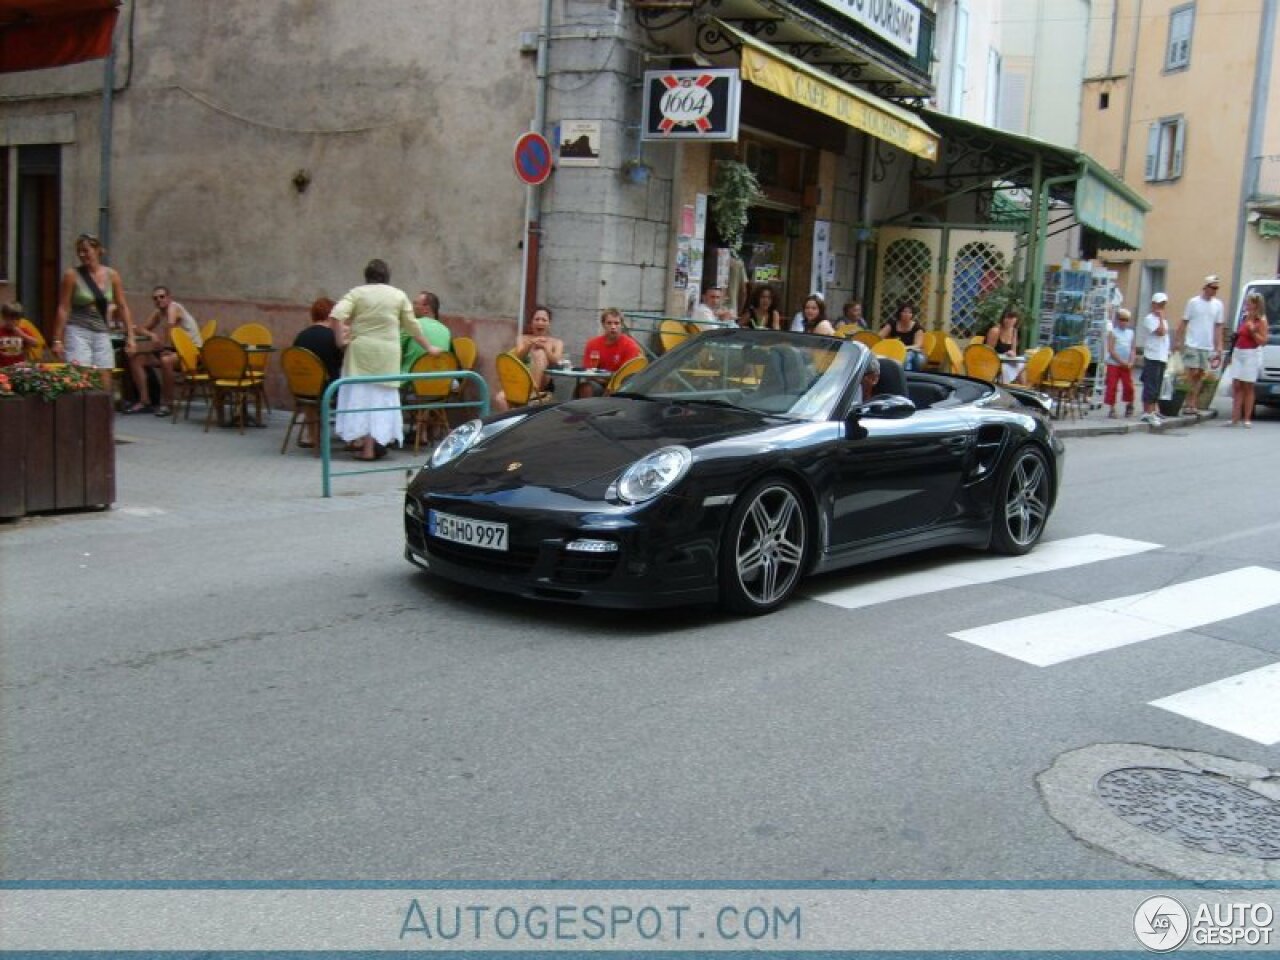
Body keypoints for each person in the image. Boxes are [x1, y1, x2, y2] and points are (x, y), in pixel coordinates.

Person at [330, 258, 437, 461]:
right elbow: (412, 326)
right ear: (387, 276)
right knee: (380, 397)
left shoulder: (357, 293)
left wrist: (340, 341)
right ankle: (372, 445)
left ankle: (361, 442)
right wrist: (429, 347)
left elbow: (336, 315)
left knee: (360, 396)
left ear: (366, 276)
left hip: (361, 352)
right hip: (387, 354)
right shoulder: (398, 296)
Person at [50, 232, 134, 395]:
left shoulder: (112, 275)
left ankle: (101, 415)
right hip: (78, 330)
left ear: (97, 251)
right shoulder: (72, 275)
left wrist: (130, 335)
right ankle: (79, 414)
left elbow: (122, 306)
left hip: (101, 331)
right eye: (79, 251)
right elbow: (63, 307)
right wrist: (57, 339)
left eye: (86, 250)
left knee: (104, 375)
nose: (82, 255)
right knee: (80, 374)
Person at [122, 286, 202, 416]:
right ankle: (144, 401)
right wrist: (151, 335)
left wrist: (164, 348)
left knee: (166, 360)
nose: (159, 300)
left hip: (192, 353)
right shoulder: (158, 312)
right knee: (137, 359)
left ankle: (167, 404)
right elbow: (142, 328)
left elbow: (169, 327)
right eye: (155, 298)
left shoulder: (173, 307)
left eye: (162, 297)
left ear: (169, 298)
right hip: (174, 351)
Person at [291, 297, 341, 448]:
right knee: (355, 389)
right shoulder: (332, 338)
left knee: (313, 389)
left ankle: (311, 435)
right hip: (328, 390)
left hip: (302, 389)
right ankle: (354, 438)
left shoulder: (301, 336)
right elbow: (340, 364)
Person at [1176, 274, 1225, 414]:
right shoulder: (1193, 302)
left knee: (1200, 374)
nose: (1215, 290)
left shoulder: (1218, 305)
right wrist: (1178, 340)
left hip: (1206, 344)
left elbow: (1218, 326)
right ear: (1206, 287)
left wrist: (1219, 345)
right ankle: (1188, 402)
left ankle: (1193, 403)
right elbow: (1184, 321)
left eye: (1217, 288)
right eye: (1213, 287)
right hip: (1193, 342)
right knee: (1192, 371)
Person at [576, 307, 643, 398]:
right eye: (609, 323)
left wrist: (610, 388)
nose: (613, 327)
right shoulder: (592, 344)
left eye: (616, 323)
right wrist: (604, 382)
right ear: (603, 324)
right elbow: (588, 373)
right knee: (584, 388)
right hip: (598, 383)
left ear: (622, 325)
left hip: (620, 387)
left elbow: (626, 377)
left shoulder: (630, 346)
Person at [1228, 290, 1269, 428]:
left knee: (1248, 386)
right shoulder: (1244, 317)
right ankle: (1235, 417)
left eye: (1249, 303)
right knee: (1237, 384)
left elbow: (1263, 341)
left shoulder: (1260, 320)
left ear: (1256, 305)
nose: (1246, 305)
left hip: (1251, 353)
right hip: (1239, 352)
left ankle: (1247, 418)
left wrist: (1253, 331)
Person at [1139, 292, 1171, 425]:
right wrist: (1161, 317)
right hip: (1152, 356)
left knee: (1157, 385)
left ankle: (1152, 410)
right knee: (1151, 385)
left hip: (1161, 356)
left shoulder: (1163, 320)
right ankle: (1148, 412)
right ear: (1153, 304)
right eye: (1159, 304)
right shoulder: (1150, 319)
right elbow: (1161, 332)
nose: (1161, 307)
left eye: (1163, 304)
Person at [401, 290, 452, 373]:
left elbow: (395, 348)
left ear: (426, 309)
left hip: (410, 380)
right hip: (439, 382)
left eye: (415, 303)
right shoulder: (446, 331)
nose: (411, 307)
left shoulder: (412, 324)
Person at [1103, 308, 1136, 418]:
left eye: (1126, 320)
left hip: (1126, 364)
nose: (1123, 322)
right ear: (1117, 320)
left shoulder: (1130, 333)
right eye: (1121, 319)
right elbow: (1111, 350)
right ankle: (1112, 408)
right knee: (1112, 386)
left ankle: (1130, 404)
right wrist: (1121, 361)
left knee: (1129, 386)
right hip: (1114, 363)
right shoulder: (1113, 333)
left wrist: (1131, 361)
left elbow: (1132, 349)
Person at [879, 301, 925, 369]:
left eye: (910, 312)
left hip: (911, 352)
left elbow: (918, 345)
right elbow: (879, 337)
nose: (907, 314)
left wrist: (904, 348)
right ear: (900, 313)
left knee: (907, 357)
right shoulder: (892, 324)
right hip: (894, 350)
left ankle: (906, 376)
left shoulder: (917, 327)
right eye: (904, 312)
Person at [985, 306, 1023, 383]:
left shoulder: (1014, 331)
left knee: (1022, 366)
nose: (1009, 321)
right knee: (1018, 369)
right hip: (993, 362)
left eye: (1012, 318)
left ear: (1016, 320)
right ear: (1003, 318)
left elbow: (1014, 352)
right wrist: (1003, 354)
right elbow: (988, 353)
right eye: (1007, 317)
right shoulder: (996, 331)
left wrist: (1011, 353)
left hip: (1006, 362)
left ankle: (1024, 390)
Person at [0, 302, 40, 367]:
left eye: (13, 319)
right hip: (2, 368)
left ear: (19, 320)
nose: (10, 322)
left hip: (19, 368)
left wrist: (22, 335)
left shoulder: (23, 330)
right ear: (3, 318)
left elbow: (36, 343)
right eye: (7, 319)